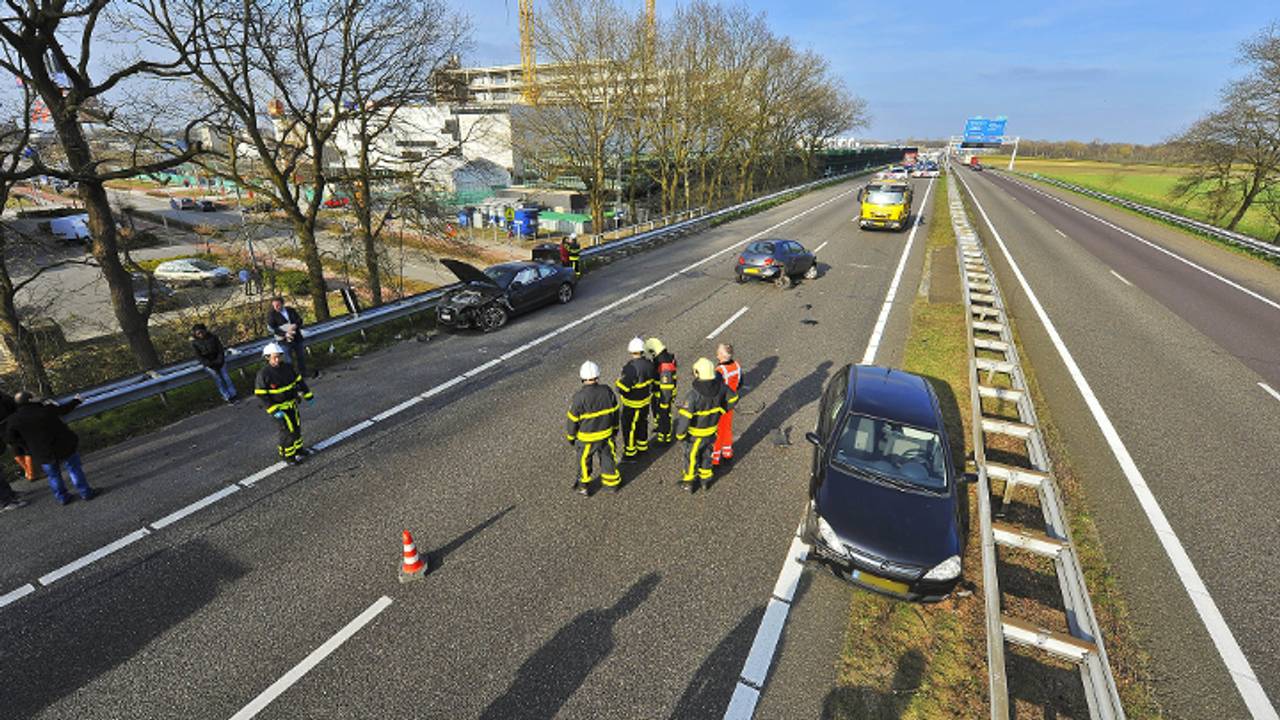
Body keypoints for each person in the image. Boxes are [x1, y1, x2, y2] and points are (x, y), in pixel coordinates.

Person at [5, 392, 97, 505]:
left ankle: (62, 497)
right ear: (30, 400)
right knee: (74, 469)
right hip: (63, 445)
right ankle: (85, 492)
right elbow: (64, 409)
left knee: (53, 475)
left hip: (41, 452)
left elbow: (10, 439)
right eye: (34, 396)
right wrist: (76, 400)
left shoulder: (14, 419)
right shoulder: (46, 409)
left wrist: (26, 445)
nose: (37, 397)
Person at [675, 358, 737, 492]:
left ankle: (689, 482)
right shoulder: (721, 388)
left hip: (695, 435)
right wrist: (722, 410)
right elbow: (733, 398)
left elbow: (685, 419)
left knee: (691, 456)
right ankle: (705, 481)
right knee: (707, 455)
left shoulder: (693, 395)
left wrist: (680, 434)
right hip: (711, 432)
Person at [565, 361, 621, 496]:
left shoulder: (579, 397)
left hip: (586, 438)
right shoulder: (607, 391)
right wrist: (615, 429)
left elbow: (572, 420)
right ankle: (611, 484)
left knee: (584, 460)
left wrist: (571, 437)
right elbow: (615, 412)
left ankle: (583, 486)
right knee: (608, 458)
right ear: (598, 376)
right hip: (606, 434)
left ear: (582, 377)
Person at [255, 342, 314, 464]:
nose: (277, 359)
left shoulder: (288, 368)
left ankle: (298, 449)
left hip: (292, 404)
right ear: (267, 358)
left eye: (279, 356)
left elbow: (299, 382)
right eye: (274, 357)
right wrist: (273, 410)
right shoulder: (264, 374)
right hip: (279, 408)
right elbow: (262, 395)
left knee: (296, 427)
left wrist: (307, 394)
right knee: (287, 432)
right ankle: (288, 456)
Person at [615, 337, 656, 461]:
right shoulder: (649, 364)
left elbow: (623, 388)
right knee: (642, 423)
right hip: (645, 402)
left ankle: (630, 453)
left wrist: (618, 383)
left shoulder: (630, 368)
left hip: (632, 405)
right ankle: (642, 447)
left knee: (630, 428)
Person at [266, 295, 313, 379]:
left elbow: (299, 320)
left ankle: (303, 373)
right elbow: (273, 328)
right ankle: (291, 376)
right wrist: (285, 334)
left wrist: (295, 325)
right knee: (288, 360)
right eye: (274, 306)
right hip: (284, 340)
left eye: (278, 305)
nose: (276, 307)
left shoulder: (290, 310)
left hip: (297, 337)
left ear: (282, 304)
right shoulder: (272, 314)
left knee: (301, 356)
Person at [191, 323, 237, 403]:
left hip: (219, 361)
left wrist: (219, 360)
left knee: (226, 378)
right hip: (209, 364)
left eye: (202, 332)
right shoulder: (195, 343)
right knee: (218, 380)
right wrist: (210, 364)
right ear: (195, 334)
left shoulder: (213, 338)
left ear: (205, 331)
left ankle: (233, 394)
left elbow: (220, 349)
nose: (201, 334)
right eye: (198, 333)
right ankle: (226, 396)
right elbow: (199, 357)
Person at [713, 342, 742, 465]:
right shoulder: (736, 365)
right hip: (731, 400)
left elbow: (715, 388)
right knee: (727, 427)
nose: (716, 354)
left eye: (718, 352)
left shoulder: (720, 370)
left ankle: (715, 457)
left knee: (718, 429)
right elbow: (740, 382)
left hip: (721, 403)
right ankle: (727, 451)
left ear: (722, 355)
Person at [645, 337, 677, 444]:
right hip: (658, 392)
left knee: (664, 414)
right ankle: (660, 429)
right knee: (658, 414)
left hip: (663, 394)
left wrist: (665, 402)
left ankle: (664, 438)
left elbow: (666, 386)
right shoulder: (662, 358)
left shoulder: (664, 364)